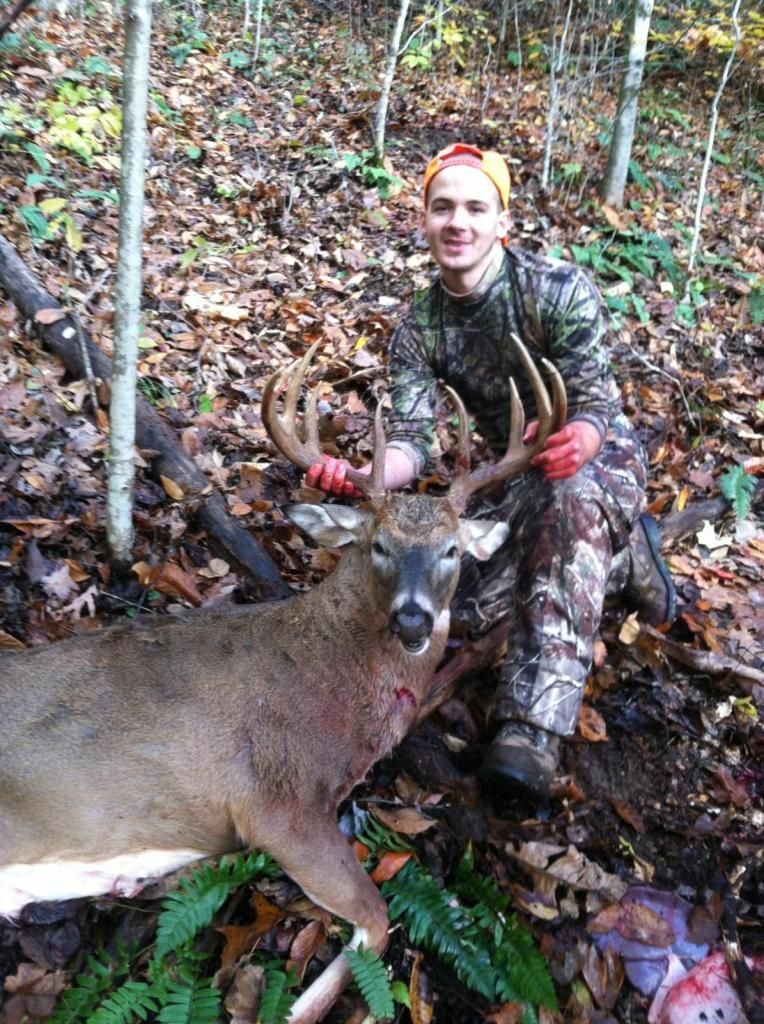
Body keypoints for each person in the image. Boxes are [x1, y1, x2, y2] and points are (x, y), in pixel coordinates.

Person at [305, 142, 676, 802]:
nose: (459, 222)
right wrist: (364, 474)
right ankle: (621, 562)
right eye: (443, 207)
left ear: (502, 222)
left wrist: (581, 437)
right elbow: (412, 443)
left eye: (476, 208)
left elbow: (597, 402)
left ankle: (530, 732)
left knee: (567, 503)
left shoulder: (556, 289)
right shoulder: (420, 328)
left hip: (598, 459)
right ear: (423, 220)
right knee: (461, 595)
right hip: (509, 473)